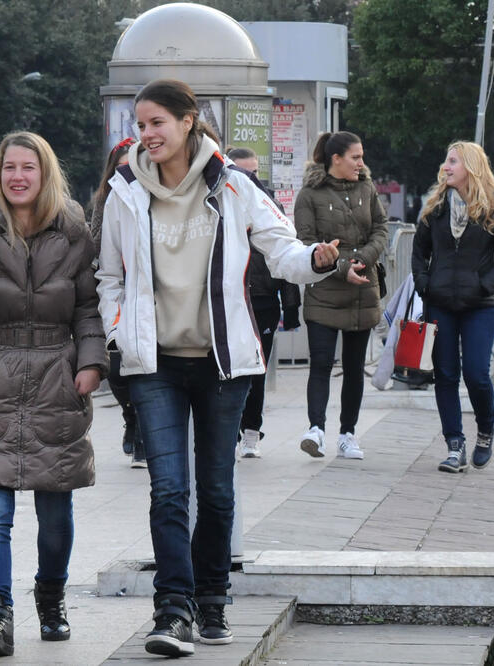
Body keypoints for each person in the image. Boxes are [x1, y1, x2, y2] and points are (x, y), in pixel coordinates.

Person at [96, 79, 340, 657]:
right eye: (140, 123)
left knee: (218, 489)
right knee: (169, 490)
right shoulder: (123, 188)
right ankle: (172, 610)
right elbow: (108, 276)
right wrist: (117, 326)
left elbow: (282, 249)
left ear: (187, 122)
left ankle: (213, 600)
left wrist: (318, 259)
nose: (146, 133)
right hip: (153, 363)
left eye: (157, 122)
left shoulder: (234, 184)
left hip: (223, 363)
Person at [0, 131, 107, 658]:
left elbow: (88, 307)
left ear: (45, 173)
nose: (17, 176)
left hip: (58, 377)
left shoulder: (74, 229)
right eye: (9, 167)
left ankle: (51, 597)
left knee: (55, 510)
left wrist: (91, 362)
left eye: (28, 167)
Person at [412, 141, 494, 473]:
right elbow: (419, 253)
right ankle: (454, 445)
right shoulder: (435, 208)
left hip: (480, 305)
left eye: (453, 161)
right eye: (446, 161)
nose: (446, 167)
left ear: (470, 166)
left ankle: (485, 430)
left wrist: (484, 284)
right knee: (445, 376)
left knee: (476, 373)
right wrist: (424, 282)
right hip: (441, 303)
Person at [293, 131, 388, 461]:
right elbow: (305, 242)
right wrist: (342, 265)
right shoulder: (310, 194)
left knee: (354, 366)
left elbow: (381, 227)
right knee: (320, 363)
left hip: (363, 288)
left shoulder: (366, 187)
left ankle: (348, 434)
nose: (361, 163)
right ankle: (315, 430)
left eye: (362, 157)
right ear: (336, 159)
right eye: (355, 157)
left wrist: (365, 259)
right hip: (325, 289)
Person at [226, 146, 301, 458]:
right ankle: (228, 430)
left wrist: (291, 305)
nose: (250, 178)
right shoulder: (221, 201)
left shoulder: (269, 203)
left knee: (257, 368)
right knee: (229, 370)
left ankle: (252, 432)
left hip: (264, 298)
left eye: (254, 172)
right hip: (231, 298)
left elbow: (285, 250)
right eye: (243, 172)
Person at [89, 136, 147, 468]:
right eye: (121, 166)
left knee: (139, 365)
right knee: (116, 367)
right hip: (115, 290)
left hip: (145, 293)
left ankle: (141, 431)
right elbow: (96, 244)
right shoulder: (105, 199)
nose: (128, 172)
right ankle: (130, 415)